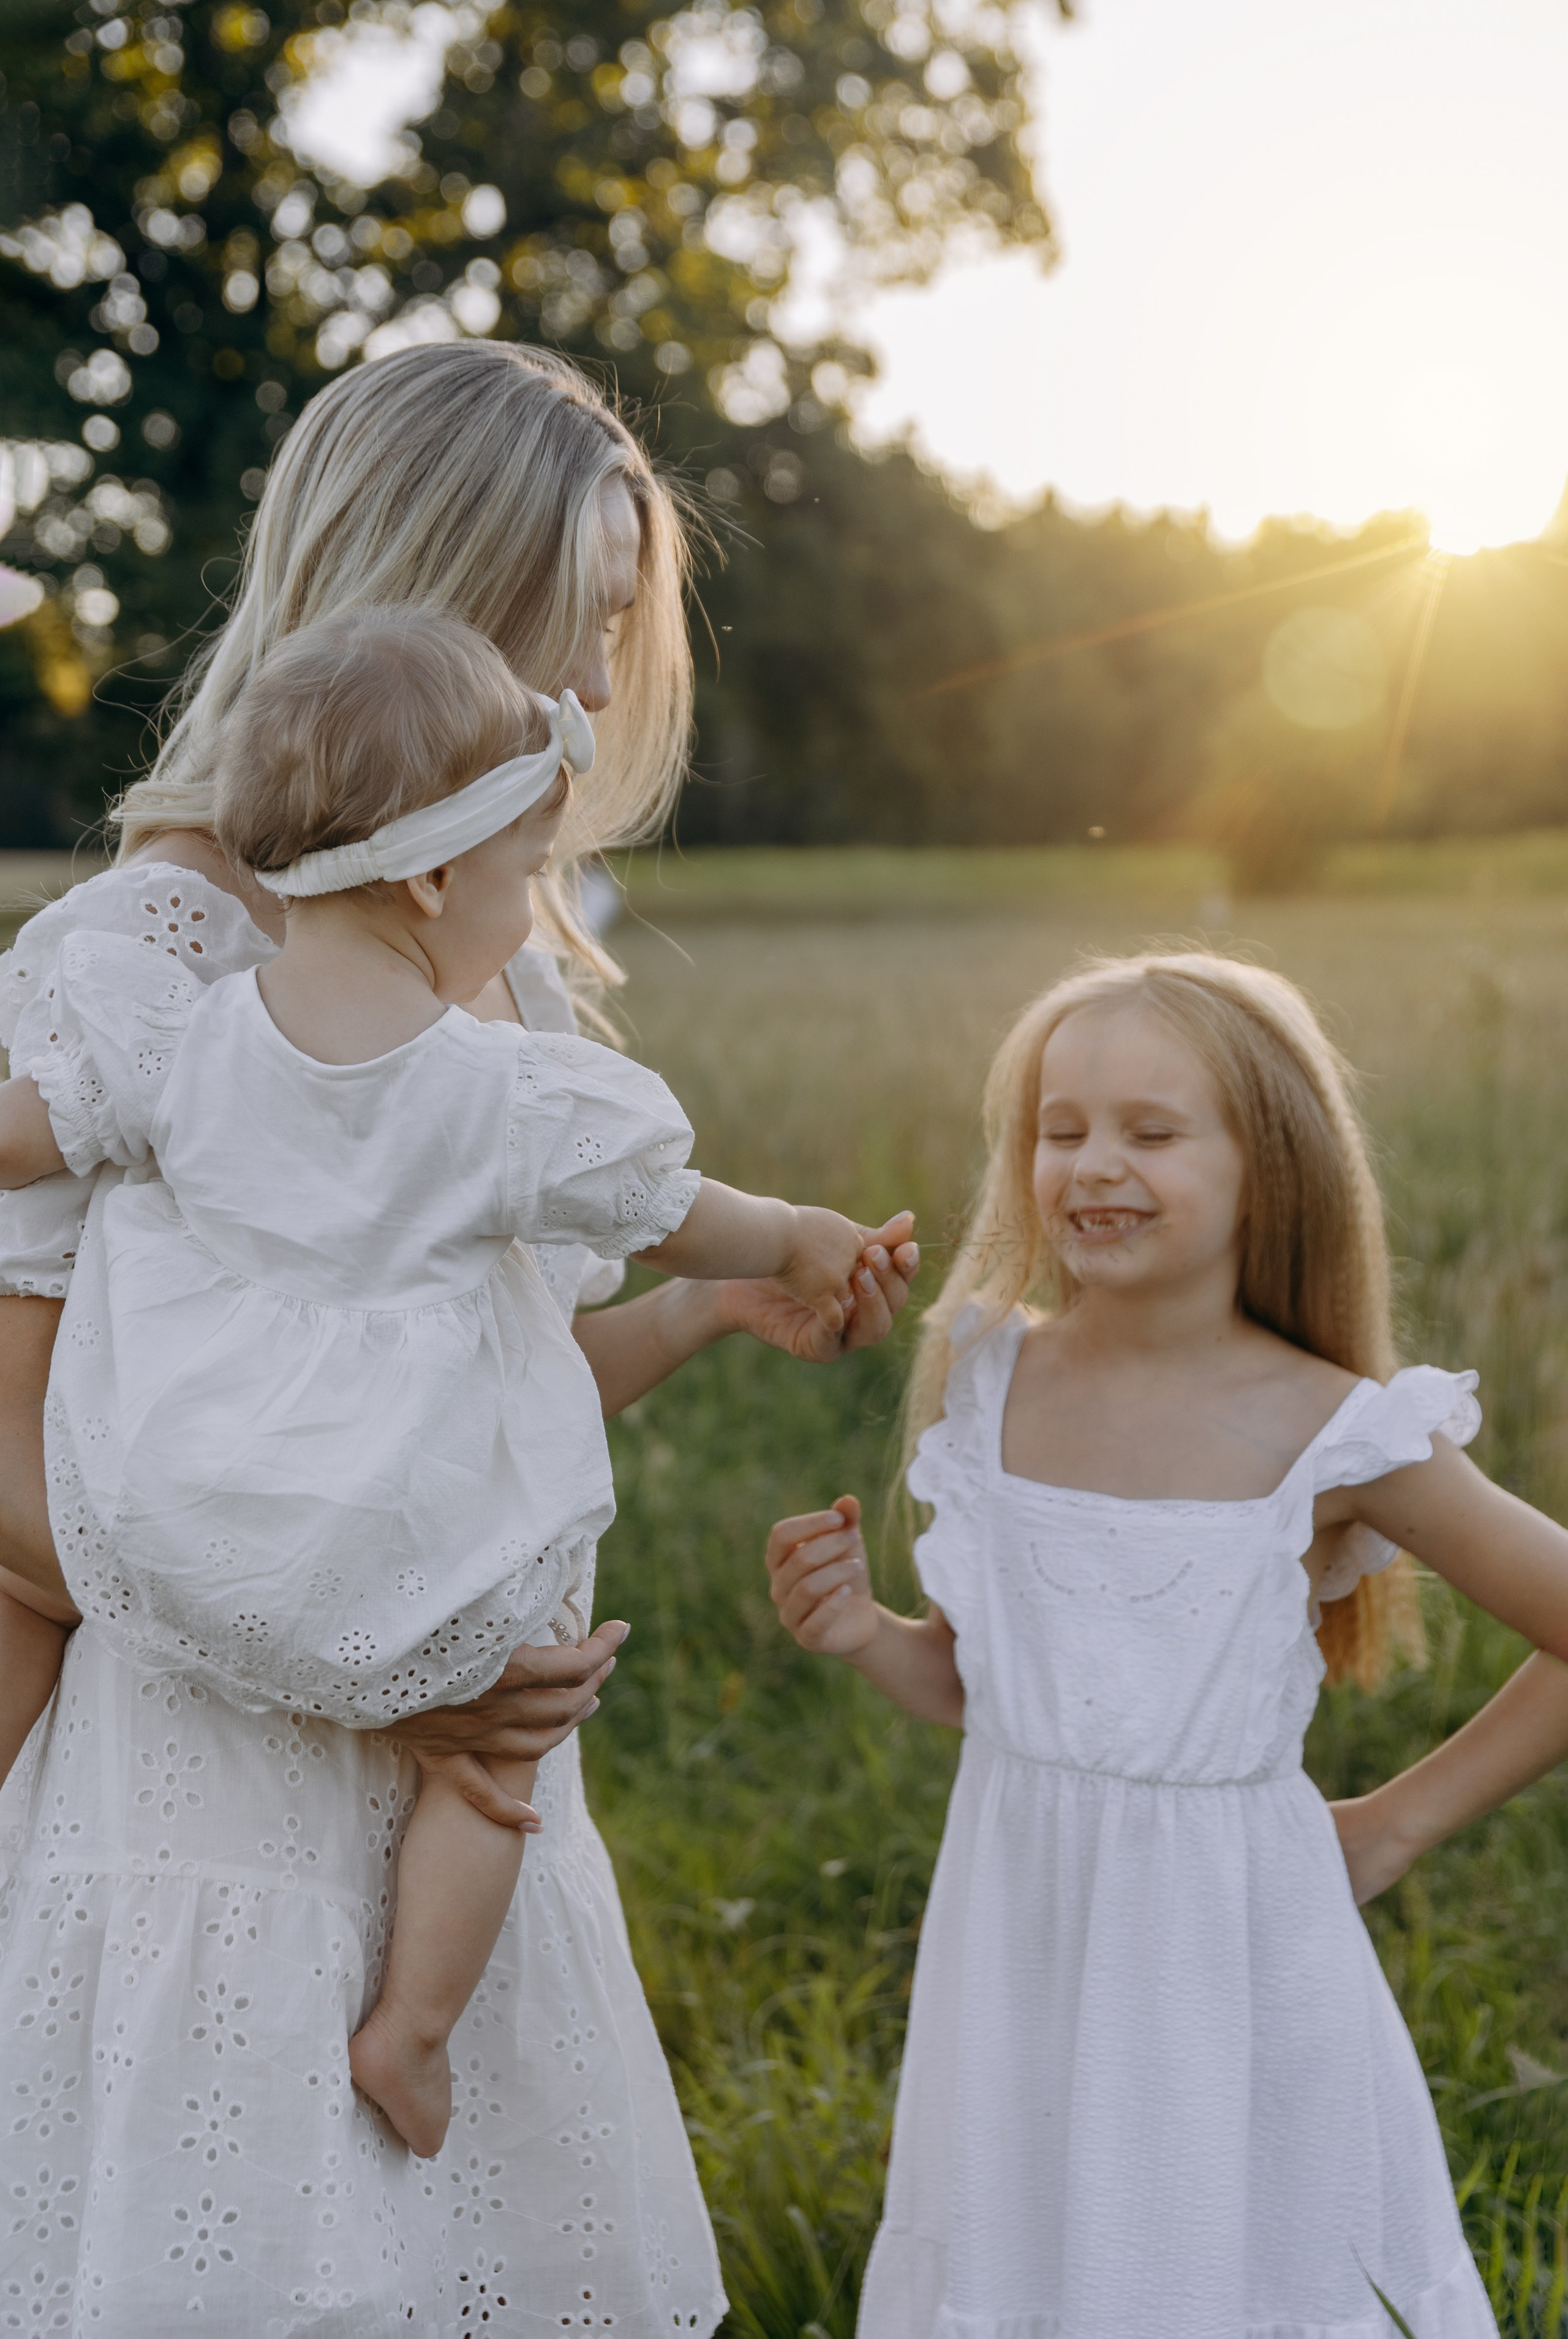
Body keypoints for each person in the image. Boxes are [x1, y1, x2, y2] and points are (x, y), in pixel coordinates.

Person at [0, 339, 917, 2336]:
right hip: (223, 1811)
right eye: (571, 623)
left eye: (611, 634)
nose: (590, 686)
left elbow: (446, 1408)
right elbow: (19, 1474)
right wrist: (378, 1673)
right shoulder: (143, 969)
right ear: (420, 590)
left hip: (467, 1814)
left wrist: (710, 1302)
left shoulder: (490, 980)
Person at [765, 951, 1568, 2339]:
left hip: (1229, 1966)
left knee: (1215, 2271)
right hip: (1019, 1948)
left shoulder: (1336, 1431)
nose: (1092, 1166)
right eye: (1059, 1129)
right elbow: (994, 1688)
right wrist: (863, 1635)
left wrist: (1390, 1828)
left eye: (1150, 1131)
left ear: (1270, 1166)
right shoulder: (987, 1375)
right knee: (1032, 2266)